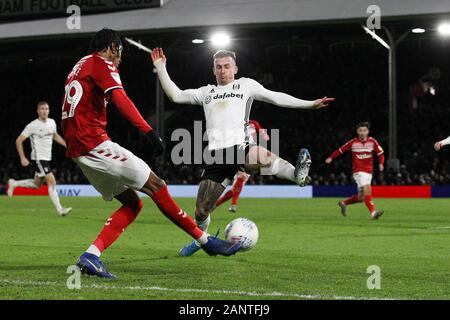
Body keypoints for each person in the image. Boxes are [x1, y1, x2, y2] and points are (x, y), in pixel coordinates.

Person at [61, 29, 240, 278]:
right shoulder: (102, 63)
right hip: (93, 143)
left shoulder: (80, 65)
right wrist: (148, 131)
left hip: (79, 149)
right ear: (113, 47)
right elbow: (120, 98)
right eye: (120, 51)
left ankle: (91, 256)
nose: (120, 57)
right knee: (157, 185)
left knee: (133, 203)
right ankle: (205, 241)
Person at [151, 48, 334, 256]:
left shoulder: (246, 85)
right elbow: (175, 95)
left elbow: (275, 97)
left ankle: (297, 175)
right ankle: (200, 241)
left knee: (262, 156)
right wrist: (160, 66)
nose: (222, 71)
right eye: (218, 67)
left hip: (240, 146)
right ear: (213, 70)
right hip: (217, 156)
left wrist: (309, 104)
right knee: (201, 210)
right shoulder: (206, 92)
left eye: (227, 66)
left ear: (235, 68)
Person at [8, 101, 72, 216]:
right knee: (52, 181)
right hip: (38, 158)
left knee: (36, 184)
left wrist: (67, 145)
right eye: (42, 109)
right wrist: (23, 158)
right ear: (38, 111)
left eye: (46, 109)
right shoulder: (32, 125)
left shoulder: (52, 122)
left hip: (47, 158)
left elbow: (55, 135)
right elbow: (19, 141)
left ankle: (14, 183)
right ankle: (60, 210)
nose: (44, 111)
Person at [325, 122, 384, 220]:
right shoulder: (353, 142)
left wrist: (381, 163)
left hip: (369, 172)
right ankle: (373, 213)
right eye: (360, 130)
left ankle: (344, 203)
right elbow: (340, 150)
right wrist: (331, 157)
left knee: (361, 197)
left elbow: (381, 154)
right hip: (358, 171)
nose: (362, 132)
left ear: (368, 131)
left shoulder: (372, 142)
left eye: (364, 130)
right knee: (367, 190)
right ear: (357, 131)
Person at [215, 120, 270, 212]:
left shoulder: (253, 123)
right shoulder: (235, 123)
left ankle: (216, 204)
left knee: (235, 188)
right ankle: (232, 204)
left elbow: (265, 136)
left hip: (250, 153)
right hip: (236, 152)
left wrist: (262, 135)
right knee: (240, 178)